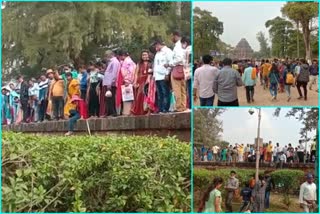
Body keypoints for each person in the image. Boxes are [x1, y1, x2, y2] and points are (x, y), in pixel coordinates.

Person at [153, 39, 173, 114]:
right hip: (157, 76)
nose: (155, 47)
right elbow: (155, 65)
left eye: (156, 45)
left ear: (159, 44)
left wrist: (167, 73)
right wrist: (154, 75)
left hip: (163, 75)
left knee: (165, 93)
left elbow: (170, 63)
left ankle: (165, 108)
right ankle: (160, 108)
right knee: (159, 93)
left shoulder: (167, 51)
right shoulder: (157, 53)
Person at [170, 30, 187, 112]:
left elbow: (179, 58)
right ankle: (183, 106)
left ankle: (179, 107)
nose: (171, 38)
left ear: (175, 36)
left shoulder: (178, 45)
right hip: (184, 68)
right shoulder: (185, 45)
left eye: (172, 36)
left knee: (177, 89)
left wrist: (170, 63)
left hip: (177, 68)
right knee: (183, 89)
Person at [131, 50, 153, 115]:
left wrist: (148, 79)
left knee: (147, 95)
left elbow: (151, 72)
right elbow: (136, 73)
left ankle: (147, 110)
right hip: (140, 81)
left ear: (148, 55)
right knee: (139, 95)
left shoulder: (151, 63)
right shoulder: (139, 64)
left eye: (145, 55)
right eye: (143, 55)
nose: (144, 56)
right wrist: (135, 81)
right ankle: (138, 111)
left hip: (148, 80)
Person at [103, 50, 120, 117]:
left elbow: (114, 73)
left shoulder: (114, 62)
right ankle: (109, 112)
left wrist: (110, 82)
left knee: (111, 98)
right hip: (108, 82)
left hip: (111, 83)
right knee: (108, 98)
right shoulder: (110, 62)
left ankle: (113, 112)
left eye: (107, 55)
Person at [181, 36, 192, 109]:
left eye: (182, 44)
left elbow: (185, 62)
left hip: (188, 73)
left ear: (185, 43)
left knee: (189, 89)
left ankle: (190, 106)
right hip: (191, 72)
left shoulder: (186, 51)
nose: (182, 46)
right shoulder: (191, 49)